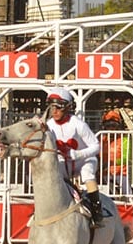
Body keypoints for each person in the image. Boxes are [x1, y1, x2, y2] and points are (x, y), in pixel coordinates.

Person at [44, 88, 103, 226]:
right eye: (52, 107)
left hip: (83, 161)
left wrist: (78, 154)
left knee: (86, 173)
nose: (54, 111)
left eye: (58, 107)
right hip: (64, 162)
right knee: (52, 174)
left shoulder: (78, 124)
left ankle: (96, 211)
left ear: (67, 108)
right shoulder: (49, 126)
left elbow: (96, 146)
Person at [99, 109, 130, 195]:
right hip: (105, 174)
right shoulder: (101, 139)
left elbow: (126, 158)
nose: (111, 128)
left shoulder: (124, 139)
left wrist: (111, 163)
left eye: (114, 125)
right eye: (108, 125)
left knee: (127, 194)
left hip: (121, 173)